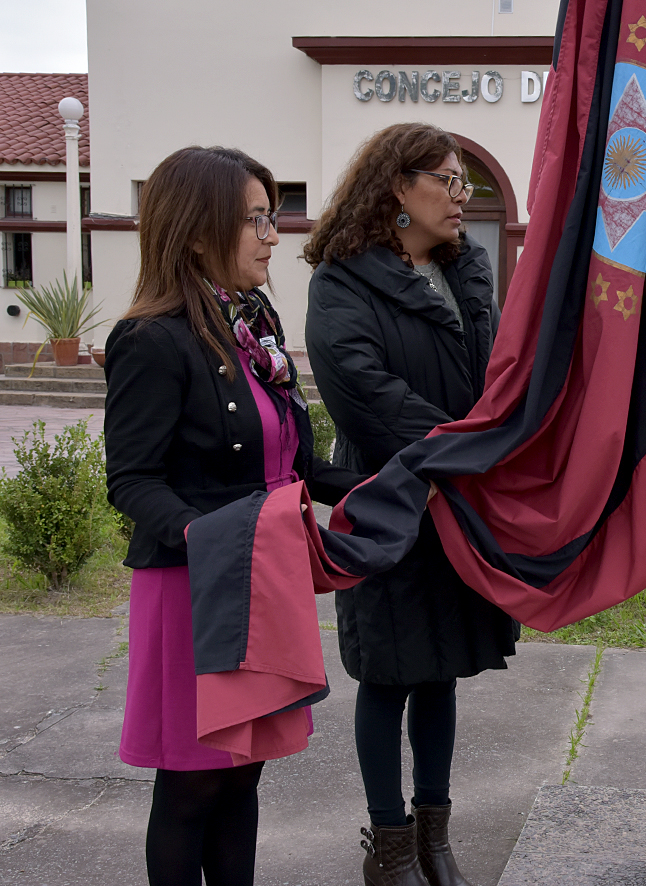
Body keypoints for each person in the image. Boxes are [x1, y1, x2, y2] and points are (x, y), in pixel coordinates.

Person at [105, 146, 358, 886]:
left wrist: (396, 484)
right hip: (197, 590)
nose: (272, 235)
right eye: (254, 218)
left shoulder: (254, 329)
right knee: (193, 781)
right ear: (195, 230)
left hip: (263, 584)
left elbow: (298, 468)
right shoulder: (152, 340)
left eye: (270, 216)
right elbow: (132, 481)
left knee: (244, 773)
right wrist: (208, 537)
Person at [303, 123, 517, 886]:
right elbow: (363, 395)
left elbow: (500, 381)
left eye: (466, 184)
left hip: (460, 502)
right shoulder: (341, 279)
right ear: (399, 187)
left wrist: (492, 448)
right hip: (387, 500)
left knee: (440, 670)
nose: (463, 198)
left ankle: (436, 839)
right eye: (450, 181)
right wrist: (460, 453)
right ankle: (389, 847)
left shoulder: (469, 272)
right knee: (387, 674)